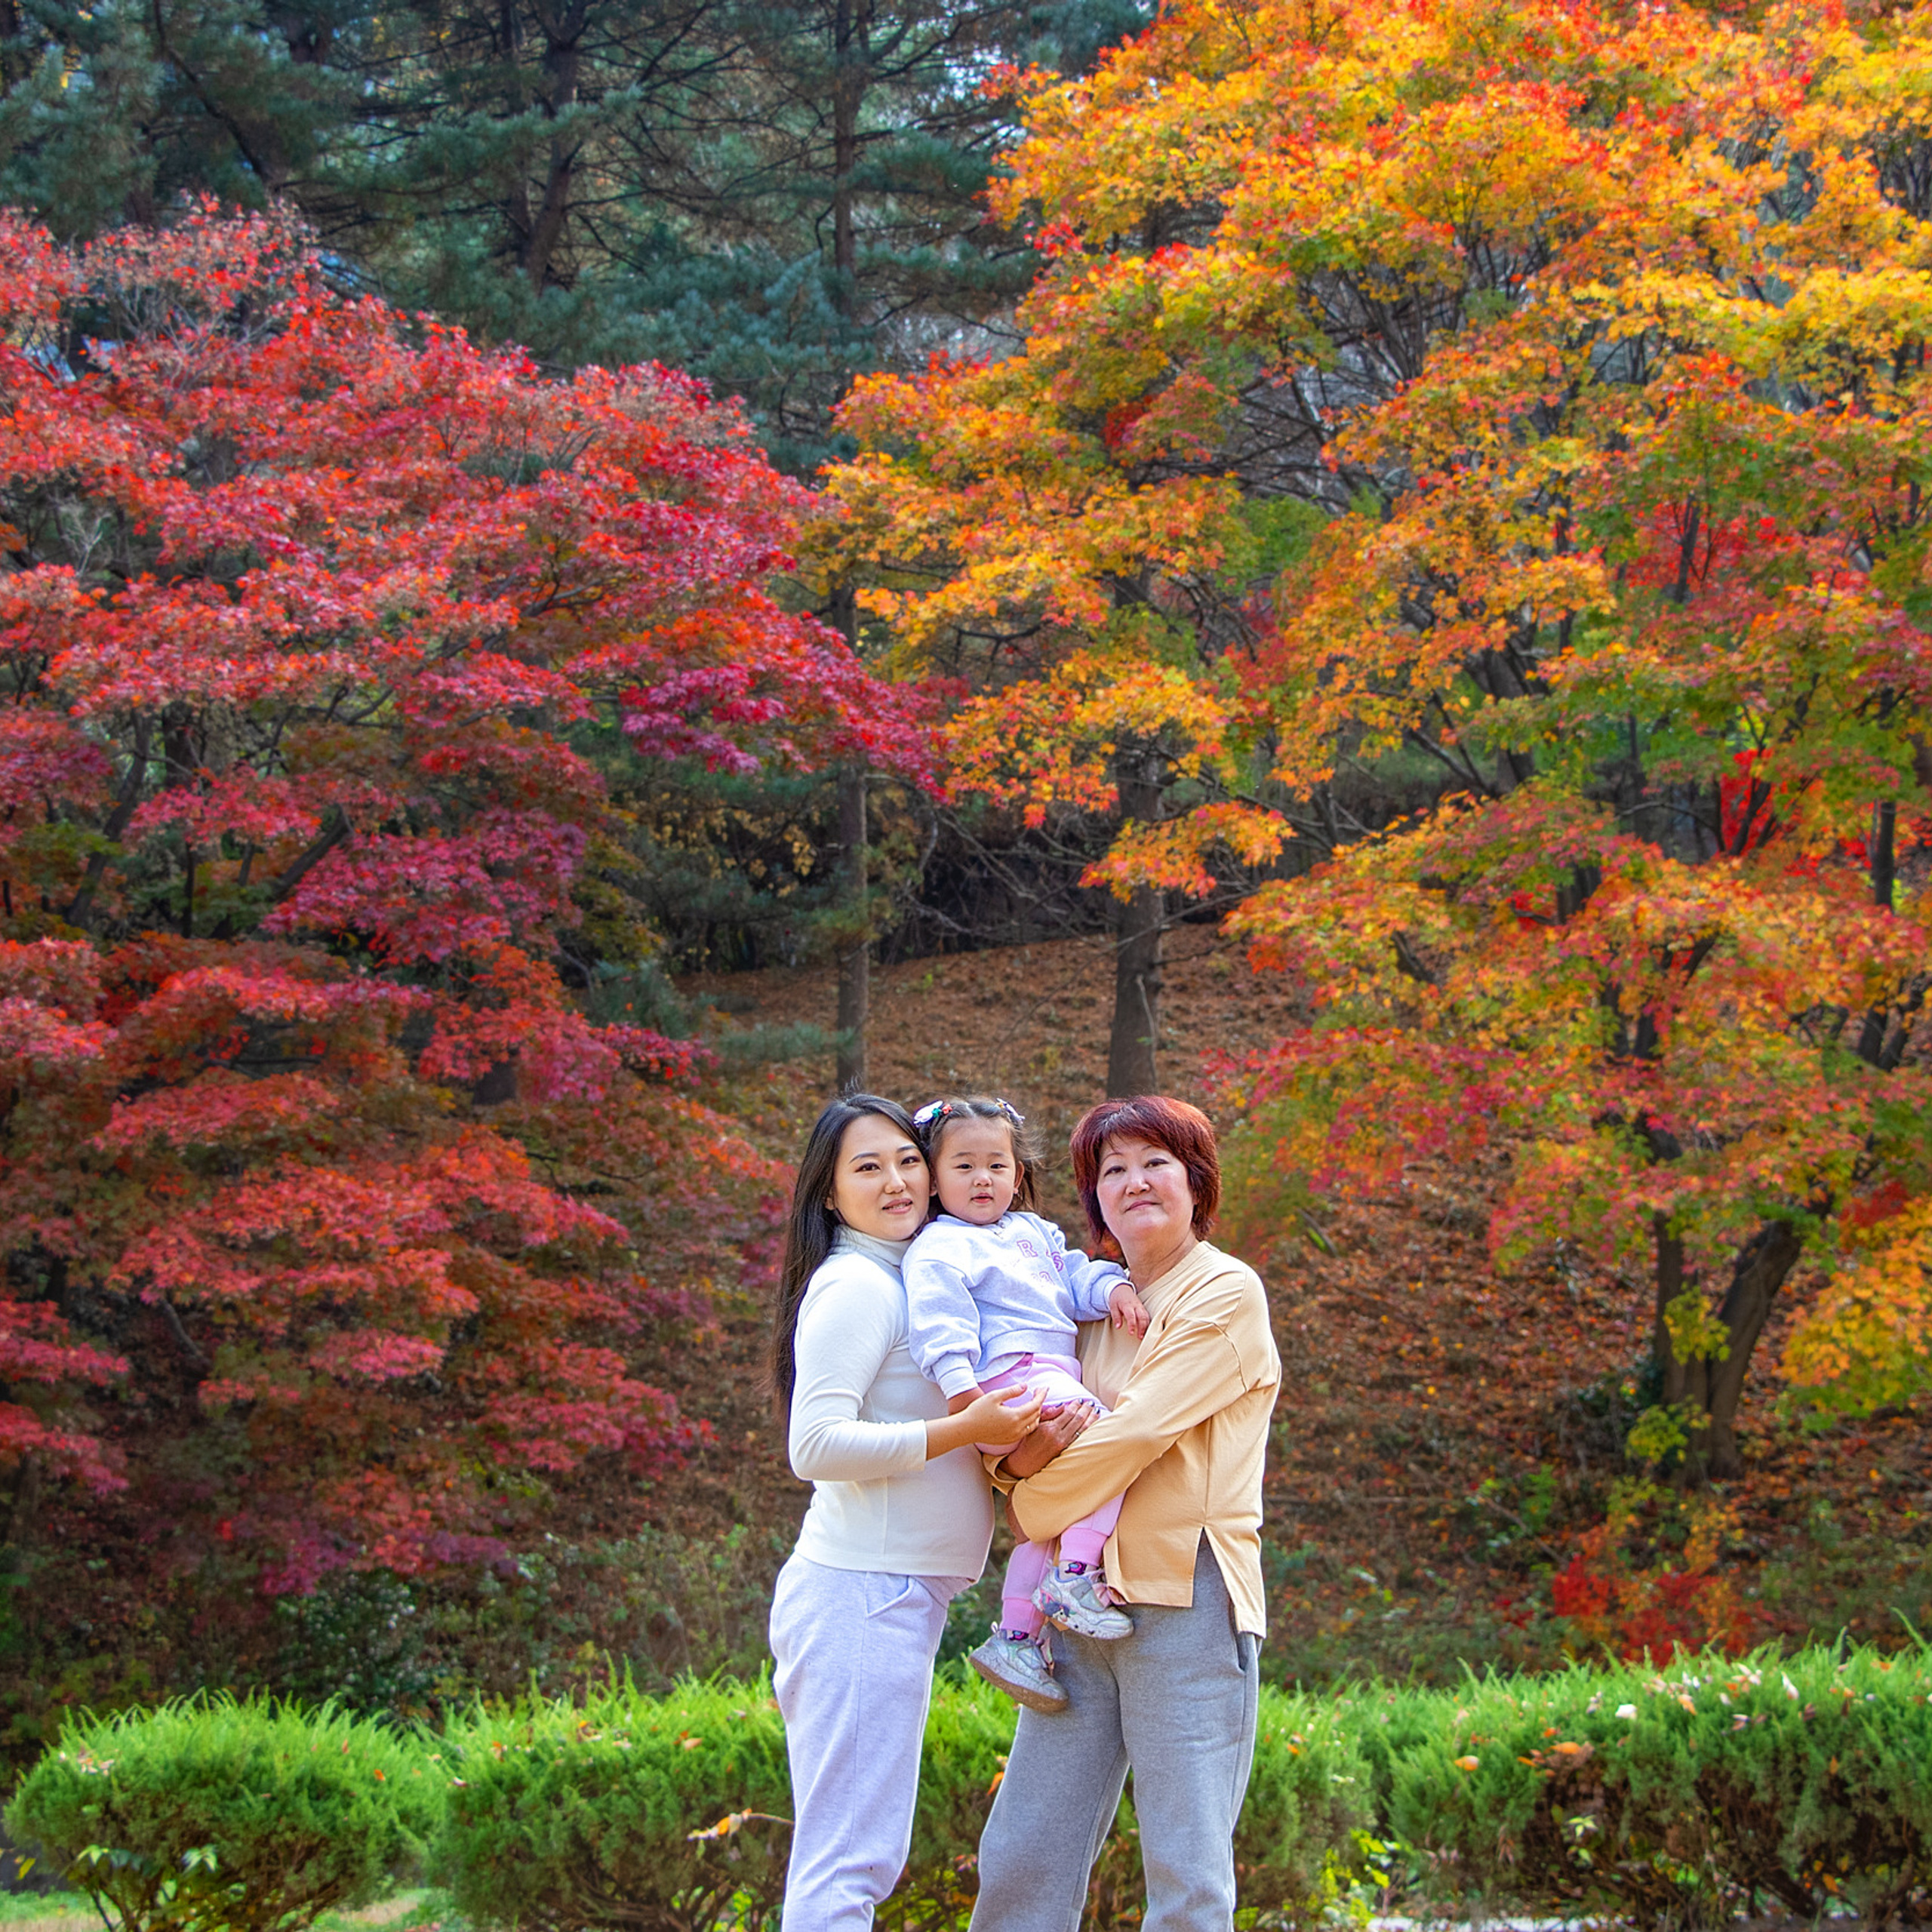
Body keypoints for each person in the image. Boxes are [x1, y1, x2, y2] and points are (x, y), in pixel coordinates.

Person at [968, 1095, 1282, 1932]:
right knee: (1022, 1854)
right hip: (1074, 1605)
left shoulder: (1223, 1289)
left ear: (1195, 1180)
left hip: (1186, 1597)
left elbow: (1137, 1430)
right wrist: (1018, 1466)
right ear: (1095, 1198)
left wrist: (1032, 1500)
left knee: (1185, 1872)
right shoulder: (1091, 1309)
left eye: (1155, 1162)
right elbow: (1010, 1440)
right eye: (1113, 1169)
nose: (1134, 1181)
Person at [767, 1093, 1046, 1932]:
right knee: (849, 1862)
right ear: (828, 1193)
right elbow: (812, 1446)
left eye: (906, 1160)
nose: (896, 1181)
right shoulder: (855, 1284)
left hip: (890, 1594)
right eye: (866, 1167)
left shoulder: (915, 1272)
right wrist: (962, 1428)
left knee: (859, 1853)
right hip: (861, 1592)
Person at [902, 1094, 1150, 1712]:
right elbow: (941, 1327)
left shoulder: (1033, 1233)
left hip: (1044, 1378)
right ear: (934, 1181)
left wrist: (1114, 1286)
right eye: (963, 1166)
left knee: (1062, 1504)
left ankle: (1015, 1637)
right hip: (1007, 1383)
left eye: (997, 1165)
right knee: (1113, 1449)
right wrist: (966, 1401)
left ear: (1019, 1174)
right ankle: (1073, 1580)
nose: (982, 1178)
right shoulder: (940, 1245)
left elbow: (1073, 1276)